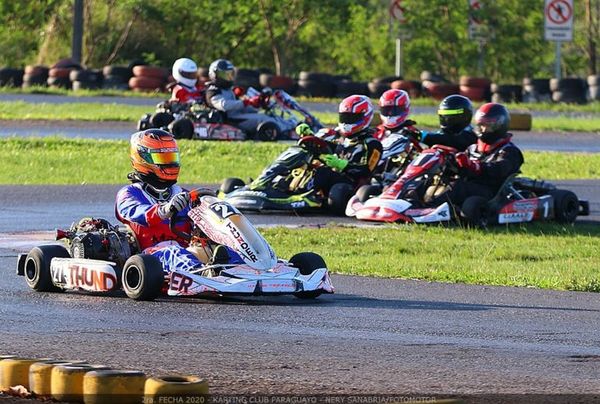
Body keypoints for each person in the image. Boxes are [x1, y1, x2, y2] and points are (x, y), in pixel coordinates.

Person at [115, 128, 239, 274]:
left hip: (188, 251)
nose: (170, 164)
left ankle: (253, 269)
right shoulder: (130, 193)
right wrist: (164, 210)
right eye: (163, 159)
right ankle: (202, 274)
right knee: (174, 253)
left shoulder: (182, 194)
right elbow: (134, 212)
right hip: (151, 257)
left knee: (223, 250)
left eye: (172, 158)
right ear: (143, 159)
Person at [441, 102, 524, 206]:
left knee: (458, 187)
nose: (483, 130)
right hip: (472, 186)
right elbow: (463, 168)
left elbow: (499, 170)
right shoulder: (473, 148)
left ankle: (429, 208)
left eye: (487, 126)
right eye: (480, 125)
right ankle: (417, 202)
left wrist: (475, 167)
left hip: (492, 192)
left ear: (500, 126)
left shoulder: (509, 150)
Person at [307, 95, 383, 197]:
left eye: (352, 118)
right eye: (345, 117)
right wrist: (309, 136)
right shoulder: (340, 139)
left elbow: (366, 171)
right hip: (336, 179)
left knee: (323, 172)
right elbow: (323, 146)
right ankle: (286, 186)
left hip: (353, 186)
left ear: (366, 117)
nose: (347, 121)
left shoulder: (372, 144)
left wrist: (342, 165)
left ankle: (306, 194)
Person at [204, 58, 288, 135]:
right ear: (215, 75)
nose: (229, 78)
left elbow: (239, 106)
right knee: (263, 118)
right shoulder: (213, 91)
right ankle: (286, 132)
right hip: (230, 119)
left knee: (269, 115)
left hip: (237, 114)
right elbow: (224, 105)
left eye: (230, 74)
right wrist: (246, 102)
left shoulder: (228, 89)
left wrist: (256, 104)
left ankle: (290, 126)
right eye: (225, 75)